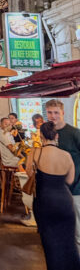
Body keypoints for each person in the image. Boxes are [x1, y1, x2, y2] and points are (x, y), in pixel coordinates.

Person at [27, 121, 80, 270]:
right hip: (65, 202)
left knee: (51, 246)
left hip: (45, 202)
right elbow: (70, 180)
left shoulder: (35, 152)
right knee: (69, 245)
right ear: (57, 136)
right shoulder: (66, 156)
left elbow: (28, 174)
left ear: (41, 136)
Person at [45, 98, 80, 252]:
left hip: (75, 190)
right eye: (50, 113)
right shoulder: (47, 134)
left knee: (77, 231)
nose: (53, 116)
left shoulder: (74, 133)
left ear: (63, 113)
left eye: (56, 113)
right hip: (56, 192)